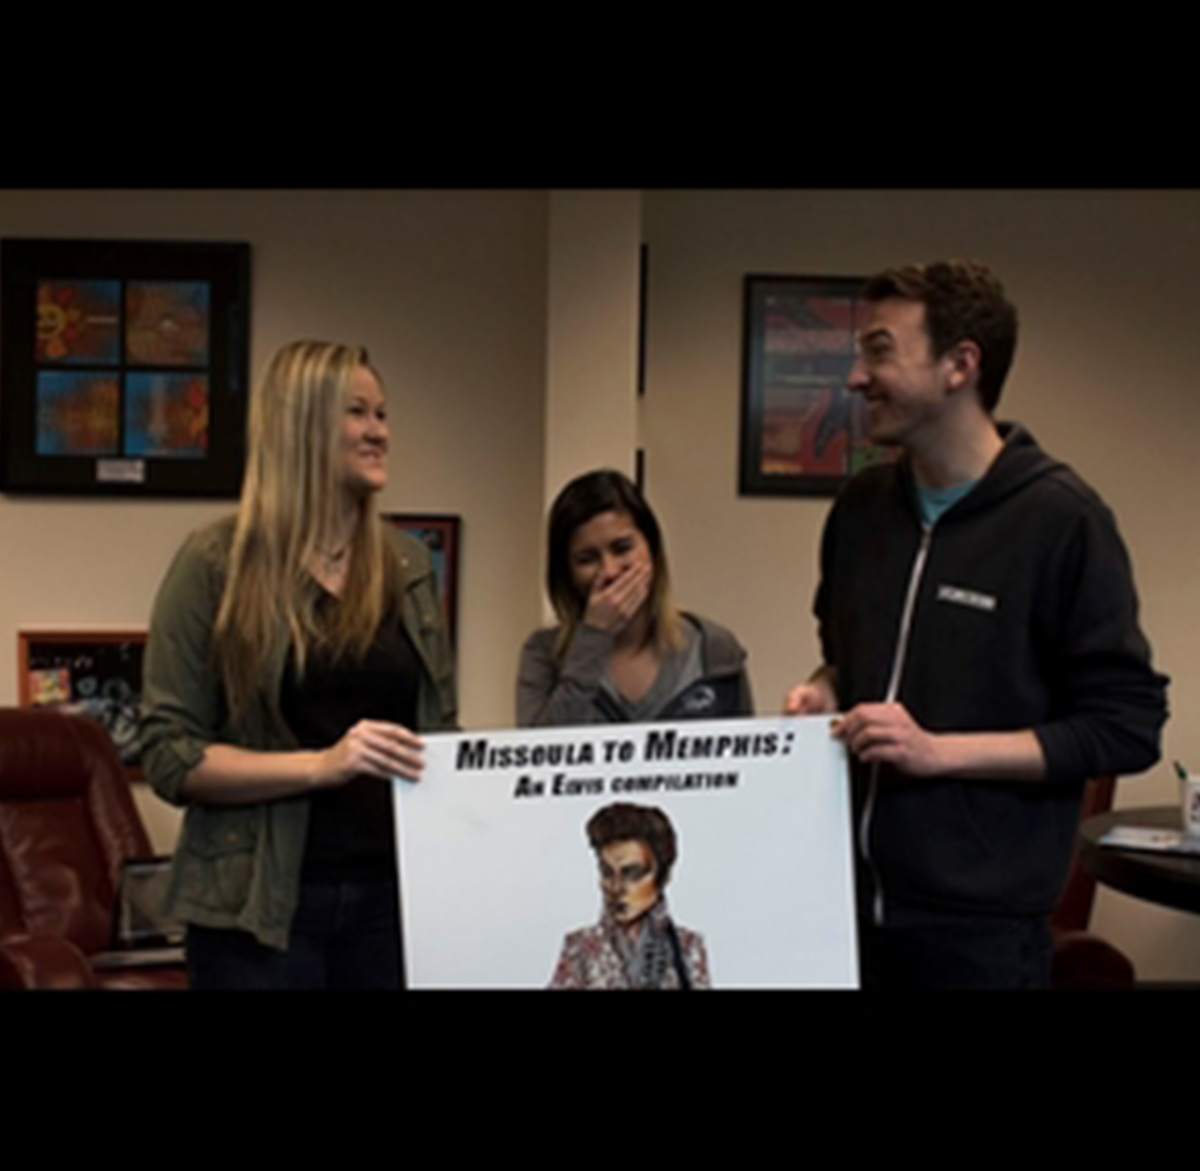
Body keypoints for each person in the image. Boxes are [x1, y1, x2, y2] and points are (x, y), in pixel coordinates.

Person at [784, 260, 1168, 990]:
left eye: (879, 350)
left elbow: (1126, 725)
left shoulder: (1062, 522)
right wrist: (822, 690)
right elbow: (842, 658)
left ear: (960, 364)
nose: (856, 378)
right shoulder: (861, 510)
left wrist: (939, 751)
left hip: (979, 939)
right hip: (841, 908)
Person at [141, 340, 456, 989]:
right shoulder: (213, 563)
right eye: (358, 412)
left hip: (392, 900)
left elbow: (437, 732)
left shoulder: (409, 564)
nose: (379, 431)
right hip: (257, 909)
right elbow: (171, 755)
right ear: (302, 426)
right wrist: (323, 764)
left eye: (383, 414)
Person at [517, 470, 752, 726]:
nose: (609, 571)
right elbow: (542, 756)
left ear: (652, 550)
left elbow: (750, 758)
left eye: (622, 549)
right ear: (567, 573)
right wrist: (593, 639)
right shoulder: (543, 654)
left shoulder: (713, 649)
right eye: (587, 559)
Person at [550, 802, 709, 989]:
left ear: (663, 876)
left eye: (633, 873)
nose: (616, 888)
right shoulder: (579, 947)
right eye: (607, 872)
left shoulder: (687, 947)